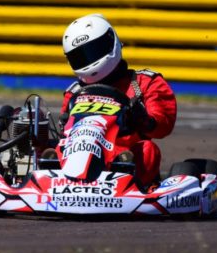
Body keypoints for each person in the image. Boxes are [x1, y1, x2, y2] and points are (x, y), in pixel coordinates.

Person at [58, 13, 177, 189]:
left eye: (95, 51)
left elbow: (163, 125)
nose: (90, 61)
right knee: (48, 149)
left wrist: (144, 119)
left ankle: (136, 187)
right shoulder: (74, 93)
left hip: (123, 158)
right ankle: (53, 176)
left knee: (148, 150)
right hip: (76, 152)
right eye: (81, 57)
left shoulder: (143, 83)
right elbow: (65, 132)